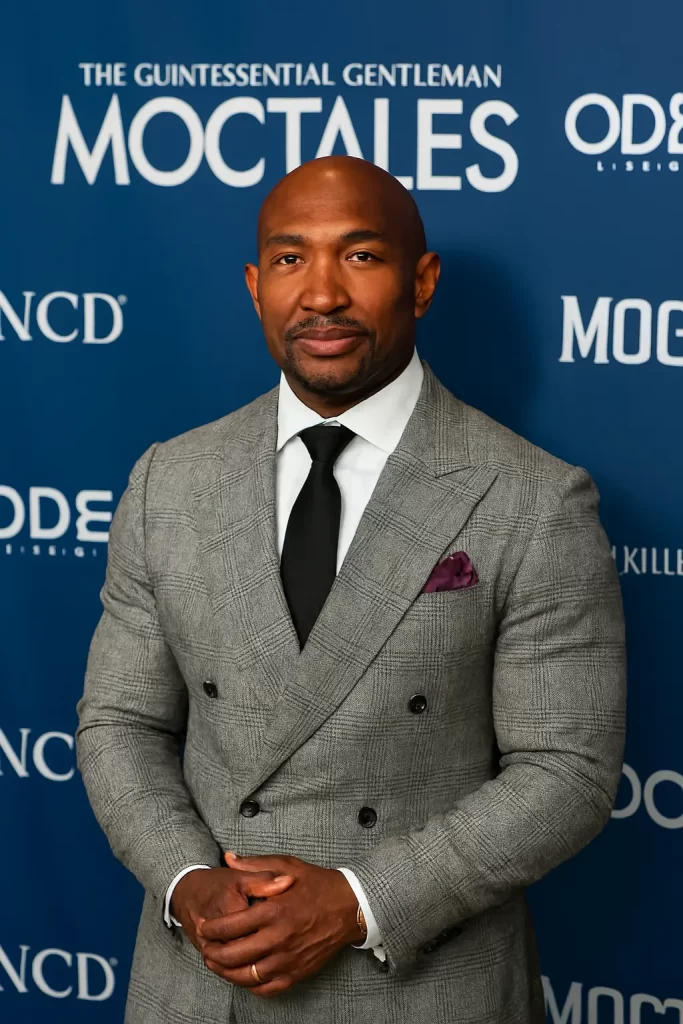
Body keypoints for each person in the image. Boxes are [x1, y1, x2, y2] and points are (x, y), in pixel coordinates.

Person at [76, 155, 626, 1024]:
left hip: (421, 988)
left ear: (422, 281)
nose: (321, 294)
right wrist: (187, 882)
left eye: (360, 257)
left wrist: (360, 901)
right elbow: (120, 725)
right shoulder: (167, 482)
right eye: (291, 260)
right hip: (200, 983)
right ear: (256, 286)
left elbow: (567, 771)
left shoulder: (532, 497)